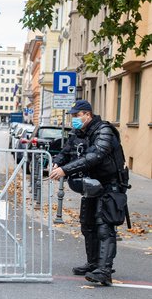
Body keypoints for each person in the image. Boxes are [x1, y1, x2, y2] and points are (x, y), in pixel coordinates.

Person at [49, 100, 128, 286]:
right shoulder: (80, 132)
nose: (74, 120)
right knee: (87, 224)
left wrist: (65, 170)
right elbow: (66, 151)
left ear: (87, 115)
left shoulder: (104, 131)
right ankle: (93, 264)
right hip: (92, 184)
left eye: (77, 116)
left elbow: (95, 156)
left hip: (110, 184)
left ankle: (104, 270)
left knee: (104, 226)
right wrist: (58, 161)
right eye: (73, 116)